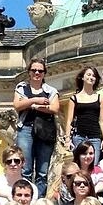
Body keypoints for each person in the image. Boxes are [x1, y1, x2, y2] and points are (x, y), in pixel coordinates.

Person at [13, 58, 60, 197]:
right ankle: (25, 198)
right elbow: (17, 105)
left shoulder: (51, 90)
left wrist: (33, 106)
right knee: (26, 169)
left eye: (40, 70)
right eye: (34, 70)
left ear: (44, 73)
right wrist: (36, 101)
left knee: (42, 171)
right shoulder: (21, 88)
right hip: (26, 129)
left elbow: (55, 108)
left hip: (45, 131)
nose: (37, 73)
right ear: (29, 72)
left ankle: (38, 202)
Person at [65, 65, 103, 160]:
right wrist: (67, 140)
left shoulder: (100, 98)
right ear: (82, 77)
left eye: (94, 76)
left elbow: (102, 120)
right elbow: (69, 121)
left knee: (94, 165)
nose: (91, 77)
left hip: (95, 137)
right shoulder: (74, 98)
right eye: (88, 74)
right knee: (80, 165)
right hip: (79, 137)